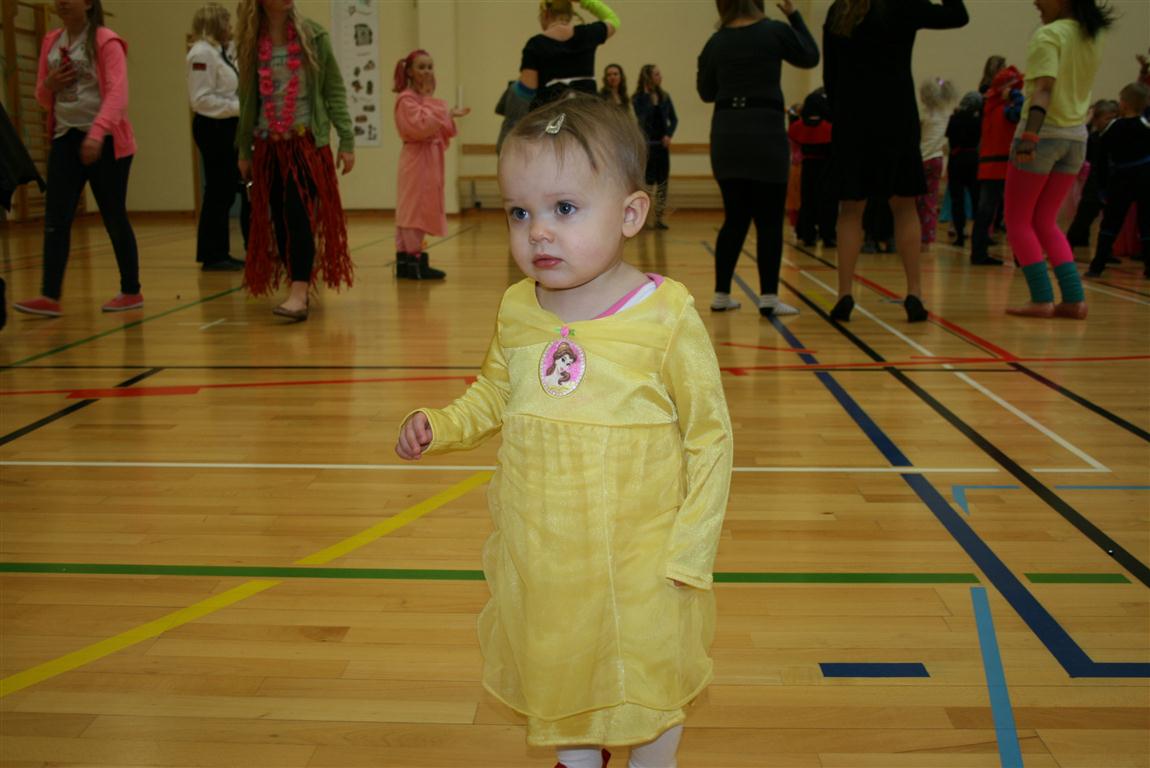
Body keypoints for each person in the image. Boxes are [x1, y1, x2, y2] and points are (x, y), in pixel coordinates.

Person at [395, 95, 733, 768]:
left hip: (643, 560)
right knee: (562, 663)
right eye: (520, 213)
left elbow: (710, 438)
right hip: (546, 553)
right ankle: (578, 757)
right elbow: (496, 393)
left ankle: (651, 758)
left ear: (630, 214)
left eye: (565, 209)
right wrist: (442, 424)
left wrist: (691, 550)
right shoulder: (518, 309)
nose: (538, 233)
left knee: (649, 671)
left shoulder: (665, 316)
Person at [822, 0, 969, 323]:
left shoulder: (839, 10)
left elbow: (830, 77)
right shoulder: (901, 6)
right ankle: (914, 292)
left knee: (850, 210)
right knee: (904, 206)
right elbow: (958, 16)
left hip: (852, 119)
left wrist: (843, 113)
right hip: (896, 116)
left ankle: (844, 294)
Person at [13, 0, 142, 318]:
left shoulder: (106, 41)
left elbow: (118, 95)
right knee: (56, 219)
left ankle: (131, 290)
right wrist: (49, 85)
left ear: (87, 3)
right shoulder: (51, 42)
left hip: (106, 140)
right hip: (64, 139)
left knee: (113, 216)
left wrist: (96, 133)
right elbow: (42, 97)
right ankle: (50, 295)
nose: (62, 2)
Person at [234, 0, 355, 321]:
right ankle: (298, 282)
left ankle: (299, 294)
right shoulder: (250, 41)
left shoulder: (314, 36)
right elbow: (246, 100)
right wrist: (244, 149)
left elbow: (334, 90)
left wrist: (346, 139)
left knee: (298, 213)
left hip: (305, 145)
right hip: (268, 146)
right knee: (280, 219)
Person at [697, 0, 819, 317]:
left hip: (727, 134)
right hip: (765, 132)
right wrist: (793, 15)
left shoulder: (716, 41)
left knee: (735, 217)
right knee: (769, 219)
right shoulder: (773, 31)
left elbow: (706, 92)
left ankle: (721, 294)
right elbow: (810, 56)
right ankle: (768, 298)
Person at [1003, 0, 1112, 319]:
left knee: (1018, 220)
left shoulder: (1049, 35)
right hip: (1076, 138)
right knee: (1045, 221)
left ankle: (1041, 298)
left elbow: (1045, 89)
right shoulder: (1093, 34)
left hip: (1043, 134)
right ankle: (1074, 299)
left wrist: (1030, 136)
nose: (1035, 2)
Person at [392, 49, 470, 280]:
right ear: (409, 71)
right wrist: (440, 108)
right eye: (421, 67)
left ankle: (410, 259)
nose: (427, 72)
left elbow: (439, 128)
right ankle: (412, 259)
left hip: (429, 158)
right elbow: (422, 126)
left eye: (430, 67)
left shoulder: (420, 100)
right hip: (417, 159)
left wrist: (448, 115)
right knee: (413, 208)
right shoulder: (406, 100)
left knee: (421, 205)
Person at [187, 2, 248, 272]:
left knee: (225, 190)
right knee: (218, 190)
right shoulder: (201, 53)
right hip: (213, 127)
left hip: (226, 126)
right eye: (226, 22)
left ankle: (219, 251)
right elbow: (200, 100)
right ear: (215, 23)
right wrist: (238, 108)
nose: (230, 27)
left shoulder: (221, 52)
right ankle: (213, 254)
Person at [1085, 82, 1149, 278]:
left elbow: (1101, 158)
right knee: (1146, 222)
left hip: (1121, 179)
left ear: (1125, 103)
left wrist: (1102, 187)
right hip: (1145, 177)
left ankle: (1097, 266)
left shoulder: (1114, 127)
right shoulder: (1146, 125)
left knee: (1111, 223)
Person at [517, 0, 619, 109]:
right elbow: (614, 20)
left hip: (553, 114)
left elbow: (527, 90)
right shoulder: (588, 34)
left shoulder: (535, 44)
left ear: (546, 14)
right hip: (587, 112)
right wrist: (585, 2)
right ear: (570, 15)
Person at [970, 63, 1024, 266]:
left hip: (988, 166)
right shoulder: (1006, 109)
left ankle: (978, 254)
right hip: (1004, 167)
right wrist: (1016, 96)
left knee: (985, 213)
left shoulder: (990, 107)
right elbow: (1021, 113)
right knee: (1015, 213)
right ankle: (1021, 256)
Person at [1066, 98, 1119, 246]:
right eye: (1108, 119)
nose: (1111, 122)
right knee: (1084, 216)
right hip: (1094, 183)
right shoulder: (1093, 138)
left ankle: (1102, 248)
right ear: (1096, 120)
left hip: (1110, 183)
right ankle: (1070, 244)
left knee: (1109, 218)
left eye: (1114, 119)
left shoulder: (1115, 137)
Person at [788, 87, 836, 248]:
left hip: (807, 167)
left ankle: (807, 234)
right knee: (827, 202)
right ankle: (828, 235)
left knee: (807, 201)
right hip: (827, 168)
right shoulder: (829, 127)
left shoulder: (797, 127)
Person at [633, 63, 678, 230]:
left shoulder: (665, 96)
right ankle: (643, 219)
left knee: (662, 183)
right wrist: (646, 96)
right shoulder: (638, 98)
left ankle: (659, 218)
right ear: (648, 77)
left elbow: (674, 119)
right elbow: (642, 117)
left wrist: (669, 135)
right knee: (647, 183)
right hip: (647, 147)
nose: (660, 77)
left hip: (662, 146)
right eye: (657, 74)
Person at [916, 77, 956, 246]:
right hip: (937, 160)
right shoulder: (946, 114)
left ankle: (917, 234)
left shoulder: (924, 115)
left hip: (923, 158)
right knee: (930, 201)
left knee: (916, 201)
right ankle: (928, 237)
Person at [945, 91, 982, 248]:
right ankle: (979, 237)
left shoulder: (954, 118)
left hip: (956, 159)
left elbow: (950, 140)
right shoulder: (978, 120)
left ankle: (959, 236)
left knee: (957, 200)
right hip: (973, 159)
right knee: (976, 199)